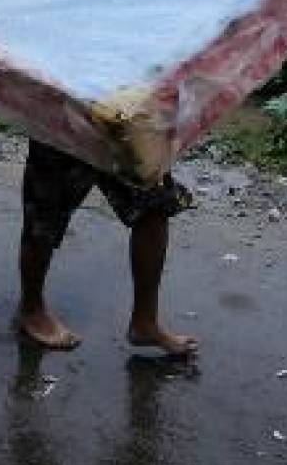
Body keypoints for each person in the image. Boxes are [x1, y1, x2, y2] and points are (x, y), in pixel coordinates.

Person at [15, 139, 199, 355]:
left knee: (155, 203)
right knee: (44, 215)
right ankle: (32, 309)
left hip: (121, 119)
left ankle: (145, 323)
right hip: (64, 120)